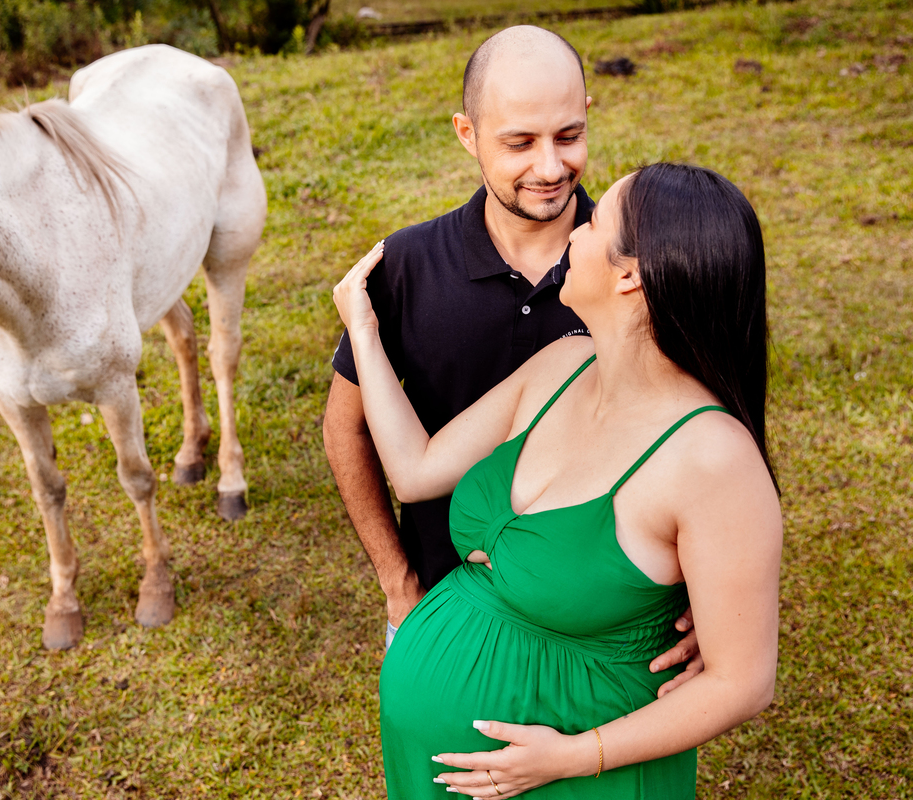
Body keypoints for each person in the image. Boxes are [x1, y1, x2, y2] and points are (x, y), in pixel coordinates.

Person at [332, 163, 783, 798]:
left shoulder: (712, 460)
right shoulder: (563, 365)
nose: (574, 229)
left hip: (573, 774)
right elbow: (415, 470)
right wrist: (365, 332)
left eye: (594, 222)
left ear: (630, 275)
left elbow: (742, 681)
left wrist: (572, 758)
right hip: (435, 769)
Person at [322, 25, 702, 691]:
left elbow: (692, 437)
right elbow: (345, 428)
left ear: (588, 112)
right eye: (520, 143)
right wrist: (398, 580)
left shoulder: (639, 266)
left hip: (606, 626)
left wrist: (706, 585)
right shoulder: (406, 266)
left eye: (568, 134)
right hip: (447, 605)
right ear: (468, 134)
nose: (551, 167)